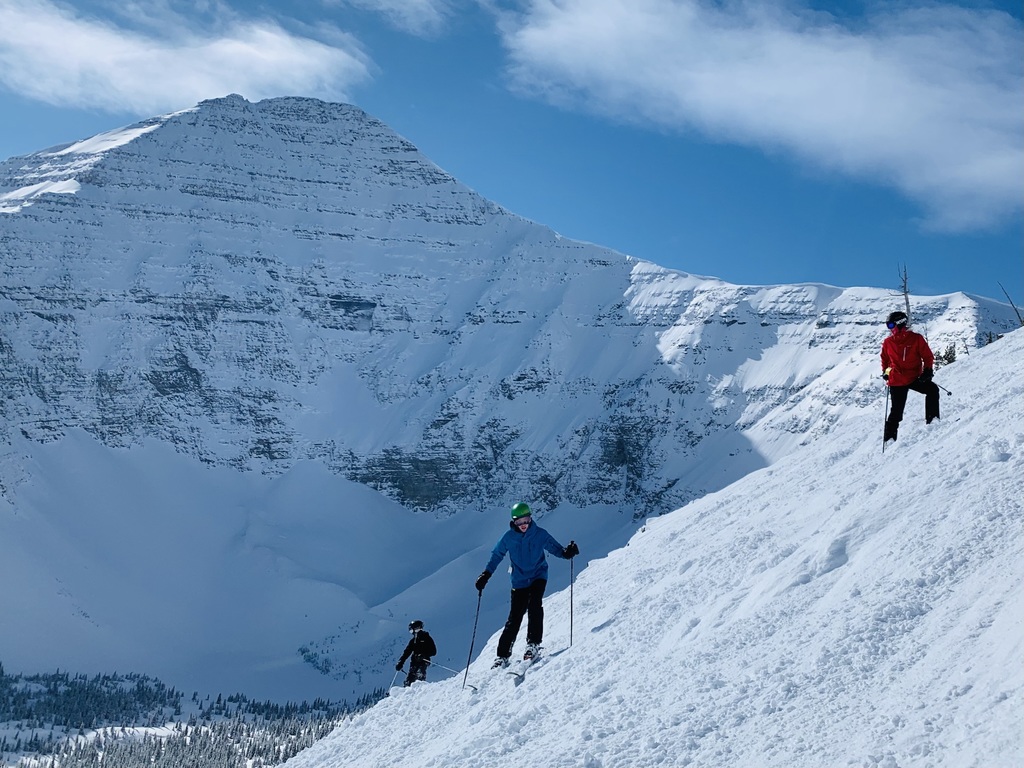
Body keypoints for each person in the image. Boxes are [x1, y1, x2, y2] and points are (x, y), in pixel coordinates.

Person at [474, 502, 579, 669]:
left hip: (538, 575)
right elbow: (497, 555)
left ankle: (533, 644)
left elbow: (556, 548)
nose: (523, 525)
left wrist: (567, 553)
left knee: (535, 605)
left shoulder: (539, 534)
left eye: (526, 520)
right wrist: (486, 574)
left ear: (530, 518)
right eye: (519, 522)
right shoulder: (509, 537)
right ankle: (502, 656)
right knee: (515, 617)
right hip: (519, 580)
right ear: (513, 522)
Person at [881, 310, 940, 444]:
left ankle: (933, 422)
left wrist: (927, 371)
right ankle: (889, 440)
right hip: (897, 380)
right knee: (896, 412)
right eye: (888, 326)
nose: (890, 329)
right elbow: (886, 360)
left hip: (914, 377)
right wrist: (886, 372)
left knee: (932, 390)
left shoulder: (916, 339)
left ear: (900, 323)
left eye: (891, 325)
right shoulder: (888, 342)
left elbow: (927, 356)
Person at [395, 620, 436, 686]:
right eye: (411, 631)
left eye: (413, 630)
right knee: (410, 679)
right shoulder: (413, 641)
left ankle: (420, 687)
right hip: (414, 662)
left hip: (423, 661)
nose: (413, 633)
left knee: (419, 675)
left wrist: (424, 655)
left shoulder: (427, 638)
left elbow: (433, 651)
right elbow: (407, 652)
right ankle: (408, 688)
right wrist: (401, 662)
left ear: (418, 629)